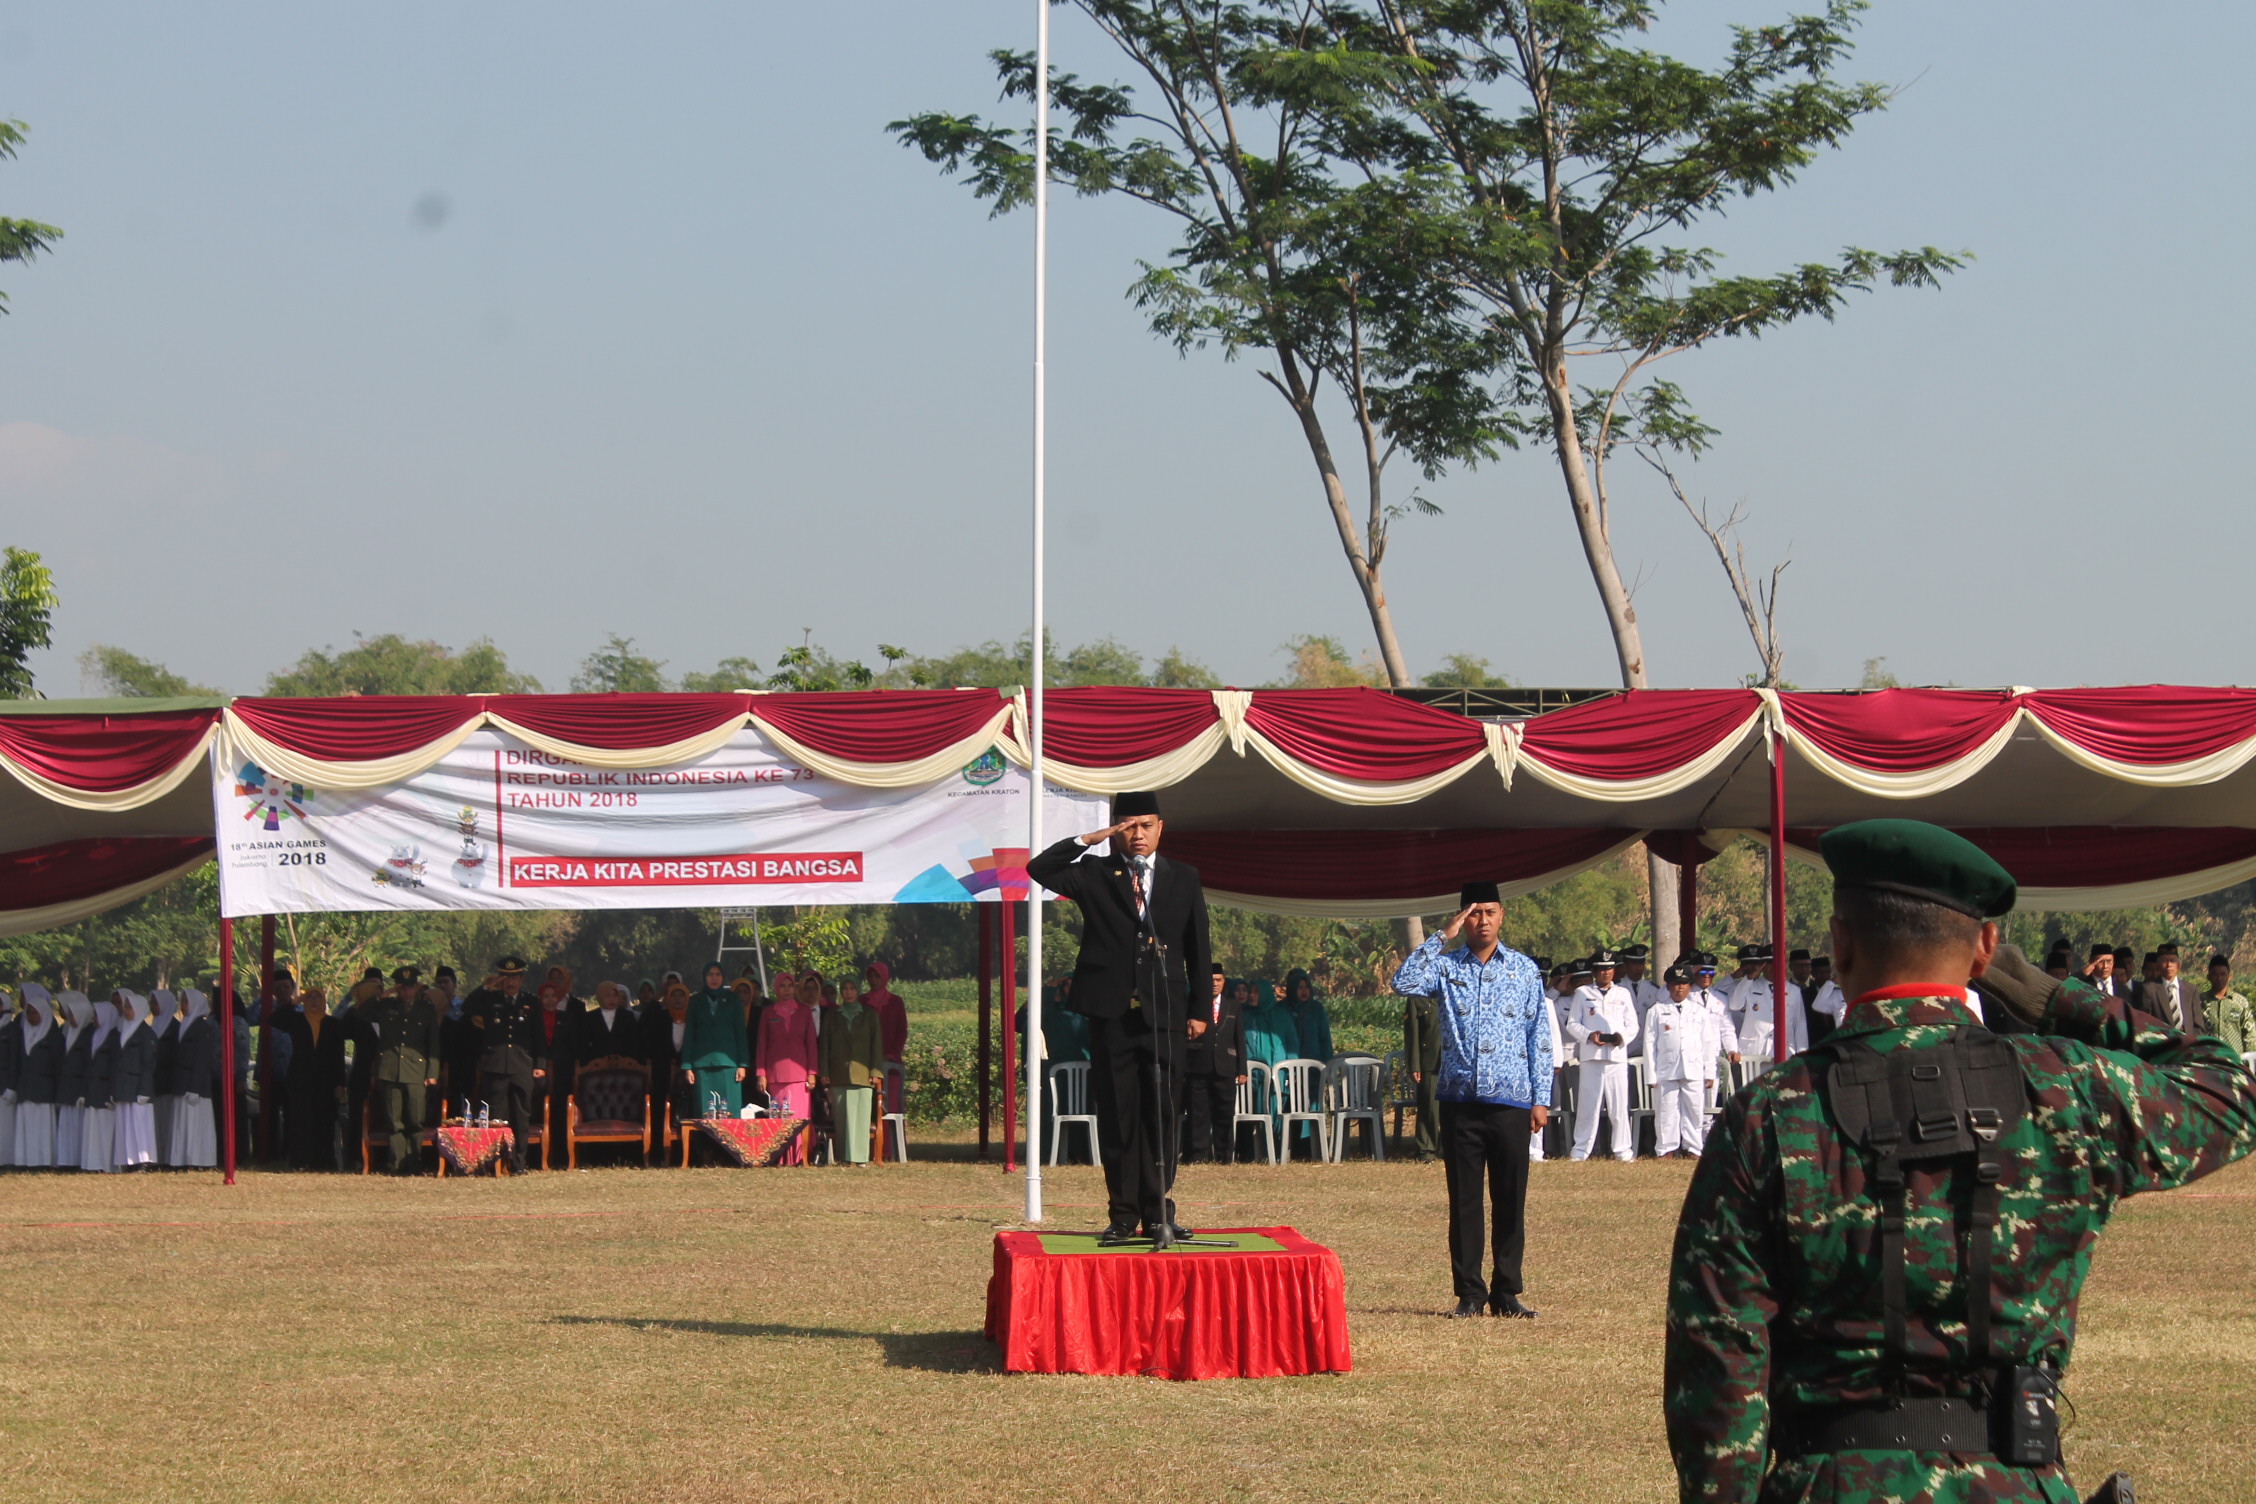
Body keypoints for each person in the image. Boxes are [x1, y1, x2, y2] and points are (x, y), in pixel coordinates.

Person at [1664, 819, 2256, 1502]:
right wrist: (2056, 999)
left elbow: (1717, 1382)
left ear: (1842, 942)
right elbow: (2228, 1087)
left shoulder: (1769, 1116)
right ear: (1985, 952)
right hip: (2015, 1479)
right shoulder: (2067, 1090)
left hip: (1831, 1478)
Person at [1027, 790, 1212, 1245]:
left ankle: (1158, 1212)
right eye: (1128, 826)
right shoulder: (1095, 872)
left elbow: (1198, 949)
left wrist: (1199, 1009)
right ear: (1115, 830)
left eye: (1146, 825)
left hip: (1164, 1012)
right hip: (1111, 1013)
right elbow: (1040, 869)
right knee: (1118, 1114)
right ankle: (1123, 1214)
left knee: (1163, 1113)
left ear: (1160, 828)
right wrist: (1088, 839)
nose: (1137, 835)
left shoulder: (1182, 878)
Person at [1391, 881, 1551, 1318]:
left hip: (1512, 1101)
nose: (1483, 921)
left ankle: (1506, 1291)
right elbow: (1402, 982)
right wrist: (1442, 935)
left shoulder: (1523, 969)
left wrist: (1541, 1098)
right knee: (1464, 1200)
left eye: (1490, 912)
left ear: (1503, 917)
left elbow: (1540, 1036)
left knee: (1510, 1198)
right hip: (1461, 1099)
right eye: (1474, 914)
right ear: (1464, 918)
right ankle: (1470, 1293)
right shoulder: (1446, 968)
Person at [465, 959, 546, 1173]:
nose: (511, 982)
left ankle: (518, 1163)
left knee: (521, 1116)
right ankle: (495, 1162)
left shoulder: (531, 1002)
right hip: (496, 1064)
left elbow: (538, 1035)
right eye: (506, 977)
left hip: (522, 1065)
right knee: (496, 1117)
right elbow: (467, 1007)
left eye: (515, 977)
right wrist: (485, 987)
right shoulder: (489, 999)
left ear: (521, 979)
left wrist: (540, 1064)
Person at [1568, 949, 1640, 1162]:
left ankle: (1622, 1150)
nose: (1605, 973)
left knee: (1618, 1107)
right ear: (1595, 971)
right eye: (1601, 969)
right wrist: (1589, 1035)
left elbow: (1633, 1025)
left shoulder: (1623, 993)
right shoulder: (1583, 993)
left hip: (1616, 1057)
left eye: (1609, 969)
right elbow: (1572, 1023)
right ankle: (1580, 1150)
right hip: (1592, 1056)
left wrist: (1621, 1037)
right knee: (1588, 1106)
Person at [371, 966, 443, 1174]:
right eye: (402, 988)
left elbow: (433, 1044)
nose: (406, 993)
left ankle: (415, 1163)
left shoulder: (426, 1009)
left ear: (417, 987)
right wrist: (383, 995)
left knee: (415, 1120)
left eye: (410, 988)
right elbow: (361, 1013)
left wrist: (432, 1073)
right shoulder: (385, 1006)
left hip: (416, 1070)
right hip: (390, 1069)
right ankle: (396, 1164)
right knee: (395, 1122)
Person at [1642, 965, 1717, 1159]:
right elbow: (1649, 1044)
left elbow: (1708, 1043)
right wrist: (1650, 1073)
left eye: (1684, 984)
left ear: (1690, 986)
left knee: (1693, 1110)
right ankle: (1666, 1148)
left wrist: (1709, 1072)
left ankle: (1693, 1148)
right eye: (1676, 984)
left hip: (1693, 1067)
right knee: (1666, 1110)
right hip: (1666, 1067)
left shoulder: (1699, 1011)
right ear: (1668, 987)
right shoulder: (1657, 1010)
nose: (1680, 988)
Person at [819, 971, 884, 1164]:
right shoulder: (832, 1015)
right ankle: (845, 1157)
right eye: (845, 989)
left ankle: (861, 1157)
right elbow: (824, 1045)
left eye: (852, 988)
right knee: (842, 1118)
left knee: (862, 1116)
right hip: (838, 1073)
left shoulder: (869, 1015)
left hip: (863, 1074)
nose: (848, 993)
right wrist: (824, 1071)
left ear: (858, 990)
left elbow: (877, 1045)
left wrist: (875, 1071)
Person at [278, 987, 346, 1170]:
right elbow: (274, 1020)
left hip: (326, 1080)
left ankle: (324, 1163)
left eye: (318, 997)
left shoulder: (333, 1024)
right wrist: (294, 1002)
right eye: (310, 997)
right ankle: (300, 1161)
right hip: (300, 1079)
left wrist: (341, 1082)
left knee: (324, 1122)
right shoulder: (297, 1020)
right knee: (300, 1121)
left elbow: (339, 1055)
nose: (314, 1001)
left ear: (324, 1000)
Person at [754, 972, 818, 1164]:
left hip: (800, 1076)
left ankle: (801, 1157)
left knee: (799, 1119)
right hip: (776, 1076)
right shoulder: (768, 1012)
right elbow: (762, 1044)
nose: (787, 990)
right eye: (783, 986)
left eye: (790, 986)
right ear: (776, 988)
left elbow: (811, 1044)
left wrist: (812, 1073)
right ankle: (781, 1157)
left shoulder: (804, 1011)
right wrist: (761, 1074)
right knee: (780, 1119)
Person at [1184, 962, 1245, 1164]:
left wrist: (1241, 1069)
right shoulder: (1192, 1004)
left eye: (1218, 980)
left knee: (1224, 1114)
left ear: (1224, 982)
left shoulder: (1233, 1006)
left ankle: (1224, 1156)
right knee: (1198, 1113)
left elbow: (1239, 1039)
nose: (1214, 984)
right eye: (1210, 981)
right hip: (1198, 1065)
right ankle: (1198, 1155)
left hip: (1225, 1066)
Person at [681, 961, 750, 1120]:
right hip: (702, 1065)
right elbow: (690, 1034)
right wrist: (687, 1066)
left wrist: (742, 1064)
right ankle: (704, 1145)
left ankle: (729, 1145)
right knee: (705, 1112)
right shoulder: (696, 1001)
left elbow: (740, 1033)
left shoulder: (733, 999)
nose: (714, 978)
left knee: (729, 1112)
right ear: (704, 977)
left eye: (718, 974)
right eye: (710, 974)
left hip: (729, 1065)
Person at [169, 989, 221, 1169]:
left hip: (195, 1087)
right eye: (181, 1001)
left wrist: (194, 1088)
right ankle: (183, 1159)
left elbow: (201, 1059)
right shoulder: (185, 1024)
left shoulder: (202, 1027)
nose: (182, 1005)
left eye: (185, 1001)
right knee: (183, 1124)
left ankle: (200, 1160)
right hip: (182, 1083)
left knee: (197, 1124)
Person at [13, 986, 62, 1168]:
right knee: (25, 1126)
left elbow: (58, 1065)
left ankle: (43, 1161)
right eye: (29, 1012)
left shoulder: (53, 1036)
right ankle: (25, 1161)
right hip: (26, 1087)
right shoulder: (22, 1034)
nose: (32, 1016)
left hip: (44, 1090)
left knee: (42, 1127)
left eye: (35, 1013)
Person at [112, 991, 159, 1170]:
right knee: (126, 1125)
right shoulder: (122, 1030)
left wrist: (145, 1090)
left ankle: (143, 1161)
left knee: (140, 1125)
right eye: (125, 1007)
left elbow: (149, 1064)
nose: (126, 1010)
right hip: (124, 1086)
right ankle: (128, 1160)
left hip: (138, 1087)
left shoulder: (146, 1033)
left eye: (130, 1007)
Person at [1403, 974, 1443, 1163]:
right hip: (1429, 1060)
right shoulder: (1417, 996)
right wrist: (1414, 1065)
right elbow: (1412, 1033)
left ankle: (1447, 1146)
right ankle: (1426, 1149)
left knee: (1453, 1108)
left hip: (1453, 1060)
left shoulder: (1453, 991)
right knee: (1429, 1106)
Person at [80, 997, 121, 1173]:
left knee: (105, 1129)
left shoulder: (114, 1038)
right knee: (93, 1129)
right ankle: (93, 1164)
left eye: (96, 1015)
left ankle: (107, 1165)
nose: (94, 1019)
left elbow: (115, 1067)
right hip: (92, 1090)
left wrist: (113, 1093)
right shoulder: (93, 1036)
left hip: (105, 1092)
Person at [865, 961, 908, 1119]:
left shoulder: (895, 1002)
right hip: (867, 1062)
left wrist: (892, 1054)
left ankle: (891, 1143)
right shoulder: (862, 1002)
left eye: (877, 976)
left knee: (891, 1106)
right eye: (871, 976)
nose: (874, 980)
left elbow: (901, 1031)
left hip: (891, 1061)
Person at [2136, 944, 2208, 1033]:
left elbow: (2198, 1025)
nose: (2169, 965)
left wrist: (2191, 1041)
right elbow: (2145, 1023)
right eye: (2164, 961)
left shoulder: (2191, 990)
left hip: (2188, 1043)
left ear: (2178, 965)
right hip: (2163, 1043)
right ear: (2158, 965)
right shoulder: (2149, 989)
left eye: (2172, 961)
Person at [2202, 953, 2254, 1060]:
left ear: (2229, 977)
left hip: (2235, 1060)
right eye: (2215, 974)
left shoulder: (2240, 1002)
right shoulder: (2199, 1001)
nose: (2219, 978)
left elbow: (2250, 1034)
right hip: (2208, 1060)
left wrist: (2250, 1060)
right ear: (2208, 976)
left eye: (2223, 974)